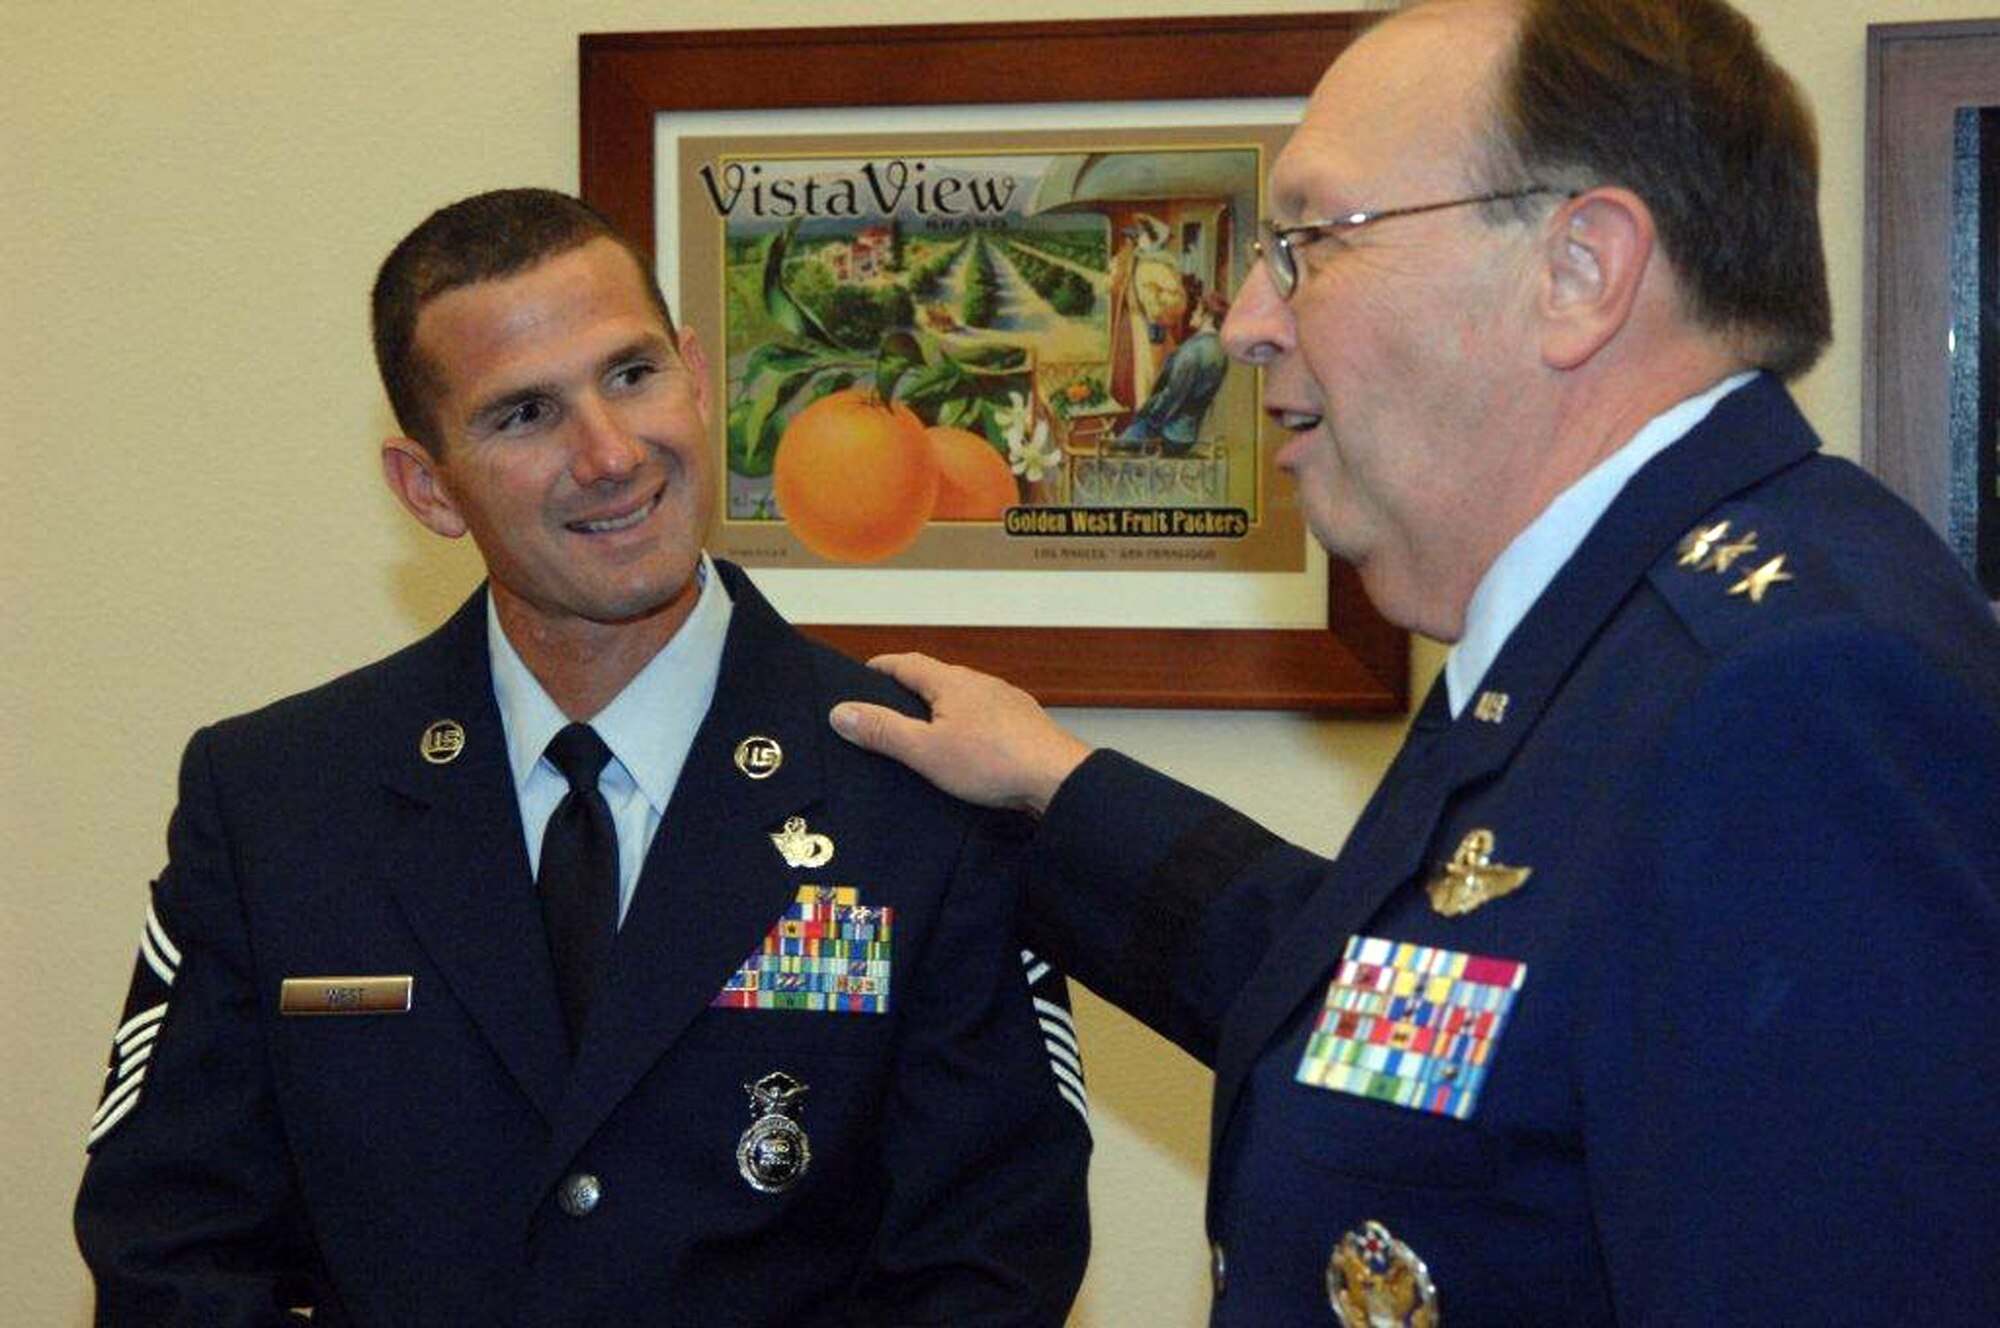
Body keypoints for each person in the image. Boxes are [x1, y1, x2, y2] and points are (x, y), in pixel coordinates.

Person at [829, 0, 2000, 1322]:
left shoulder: (1789, 702)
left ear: (1581, 270)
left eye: (1310, 244)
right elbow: (1441, 1029)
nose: (1247, 320)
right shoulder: (1615, 626)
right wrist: (1059, 789)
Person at [74, 188, 1090, 1326]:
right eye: (522, 415)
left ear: (697, 376)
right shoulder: (276, 799)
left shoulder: (916, 785)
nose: (609, 453)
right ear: (428, 487)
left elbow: (991, 1260)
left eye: (631, 374)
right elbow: (171, 1249)